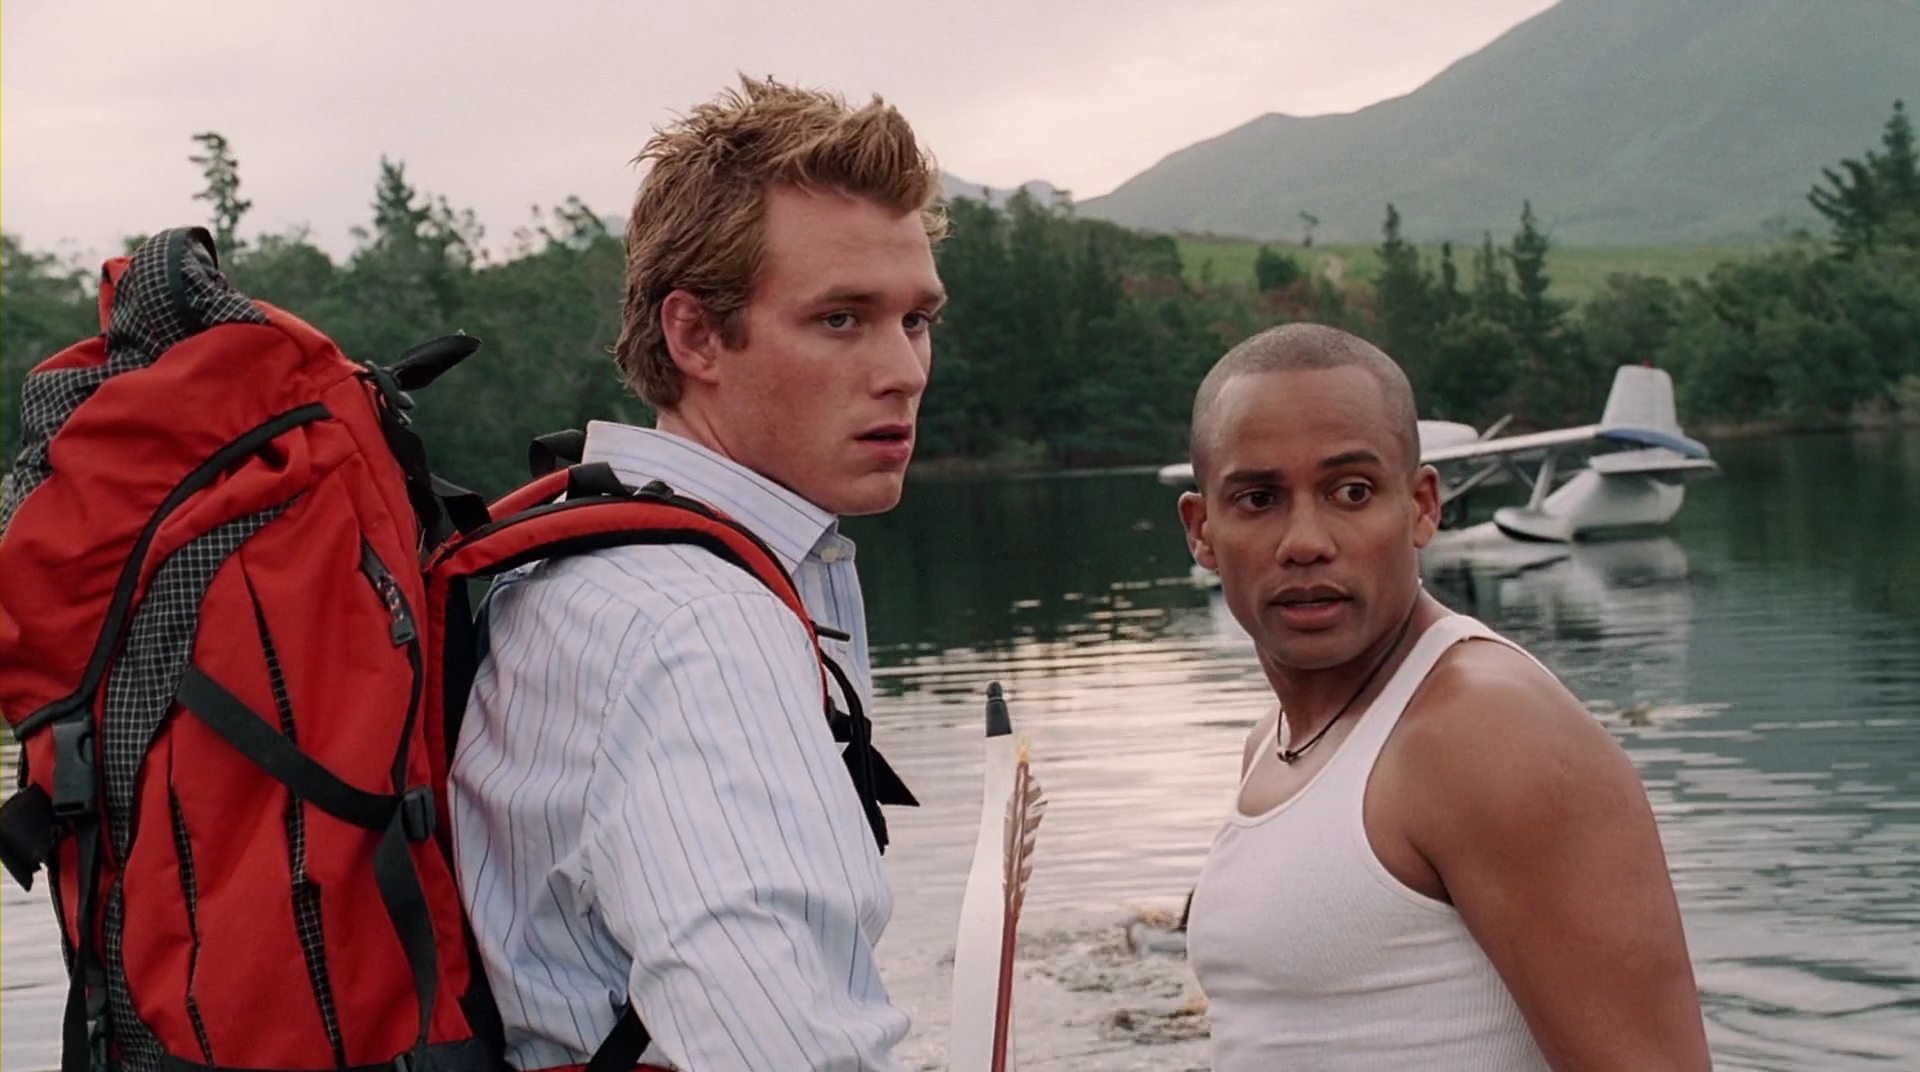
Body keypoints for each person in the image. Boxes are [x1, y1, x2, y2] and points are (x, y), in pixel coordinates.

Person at [448, 76, 946, 1071]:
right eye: (841, 319)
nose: (904, 371)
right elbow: (780, 1049)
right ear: (695, 336)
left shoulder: (575, 567)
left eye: (916, 320)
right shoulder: (700, 627)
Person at [1178, 324, 1712, 1071]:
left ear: (1423, 506)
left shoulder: (1487, 730)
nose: (1305, 541)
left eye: (1352, 492)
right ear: (1203, 531)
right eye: (1259, 498)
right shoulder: (1273, 742)